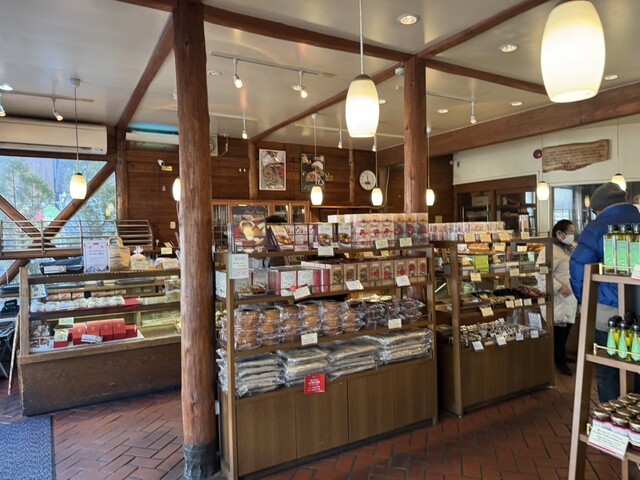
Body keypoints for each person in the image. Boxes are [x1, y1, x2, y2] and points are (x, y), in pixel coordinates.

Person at [570, 182, 640, 401]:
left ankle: (612, 416)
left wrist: (587, 301)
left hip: (608, 311)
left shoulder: (596, 228)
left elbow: (579, 269)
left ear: (598, 209)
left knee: (608, 368)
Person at [536, 220, 578, 376]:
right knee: (558, 332)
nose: (573, 235)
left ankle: (562, 356)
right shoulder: (548, 250)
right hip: (558, 297)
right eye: (570, 232)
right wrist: (559, 287)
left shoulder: (568, 248)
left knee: (566, 328)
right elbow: (541, 273)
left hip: (569, 297)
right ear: (559, 233)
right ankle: (559, 362)